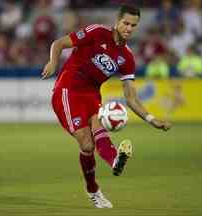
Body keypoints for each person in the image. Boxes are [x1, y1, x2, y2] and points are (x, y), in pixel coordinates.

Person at [42, 4, 171, 208]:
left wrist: (151, 119)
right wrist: (53, 62)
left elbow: (131, 98)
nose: (129, 28)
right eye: (126, 23)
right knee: (87, 144)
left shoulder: (127, 58)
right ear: (117, 21)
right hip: (68, 89)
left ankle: (115, 162)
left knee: (98, 127)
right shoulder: (97, 32)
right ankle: (93, 190)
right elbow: (58, 43)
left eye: (133, 25)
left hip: (92, 94)